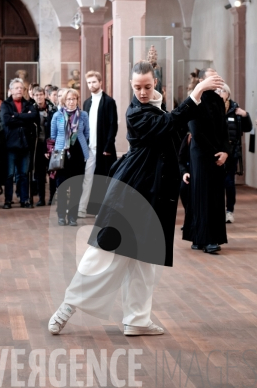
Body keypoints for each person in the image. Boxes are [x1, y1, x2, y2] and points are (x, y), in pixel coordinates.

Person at [48, 61, 223, 336]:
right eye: (137, 87)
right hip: (132, 190)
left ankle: (138, 320)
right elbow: (167, 123)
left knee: (145, 261)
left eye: (148, 86)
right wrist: (197, 91)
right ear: (131, 86)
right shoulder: (136, 113)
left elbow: (171, 126)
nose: (142, 92)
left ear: (156, 85)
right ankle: (67, 307)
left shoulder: (156, 104)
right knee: (103, 252)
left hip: (155, 194)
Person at [183, 68, 230, 254]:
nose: (216, 78)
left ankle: (208, 237)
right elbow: (196, 131)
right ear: (201, 80)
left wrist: (225, 151)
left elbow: (224, 130)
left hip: (218, 155)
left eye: (217, 75)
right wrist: (214, 152)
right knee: (202, 196)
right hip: (202, 156)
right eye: (212, 76)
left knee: (216, 196)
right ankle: (203, 238)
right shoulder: (195, 100)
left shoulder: (219, 100)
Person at [78, 71, 118, 217]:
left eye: (94, 82)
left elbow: (113, 125)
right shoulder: (86, 102)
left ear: (100, 82)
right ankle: (82, 208)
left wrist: (108, 146)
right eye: (89, 82)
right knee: (87, 178)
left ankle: (102, 210)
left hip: (103, 148)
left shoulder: (109, 101)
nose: (91, 85)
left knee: (102, 178)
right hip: (89, 148)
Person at [49, 88, 89, 226]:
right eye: (68, 99)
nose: (71, 102)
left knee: (77, 188)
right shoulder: (57, 116)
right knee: (62, 187)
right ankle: (61, 215)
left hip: (78, 154)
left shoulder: (83, 115)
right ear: (63, 101)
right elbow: (53, 136)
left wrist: (79, 144)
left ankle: (73, 217)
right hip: (62, 155)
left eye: (74, 99)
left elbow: (87, 133)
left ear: (77, 100)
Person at [1, 78, 38, 209]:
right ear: (10, 90)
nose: (19, 90)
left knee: (24, 174)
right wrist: (23, 117)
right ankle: (8, 200)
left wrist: (15, 116)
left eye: (21, 88)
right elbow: (6, 120)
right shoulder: (6, 104)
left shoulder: (28, 104)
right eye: (16, 88)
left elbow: (33, 117)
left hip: (25, 144)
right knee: (10, 174)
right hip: (11, 144)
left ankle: (24, 199)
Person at [218, 83, 252, 223]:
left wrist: (245, 115)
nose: (219, 93)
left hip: (232, 153)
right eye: (217, 91)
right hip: (218, 153)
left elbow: (247, 128)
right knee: (218, 183)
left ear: (228, 94)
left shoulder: (235, 109)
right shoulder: (215, 109)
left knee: (229, 182)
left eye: (222, 91)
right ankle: (218, 210)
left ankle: (229, 210)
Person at [32, 87, 57, 206]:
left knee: (52, 171)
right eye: (36, 95)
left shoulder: (53, 109)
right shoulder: (31, 109)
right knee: (39, 173)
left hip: (51, 143)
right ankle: (41, 198)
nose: (39, 97)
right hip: (37, 144)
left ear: (45, 95)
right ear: (33, 96)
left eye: (41, 94)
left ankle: (52, 197)